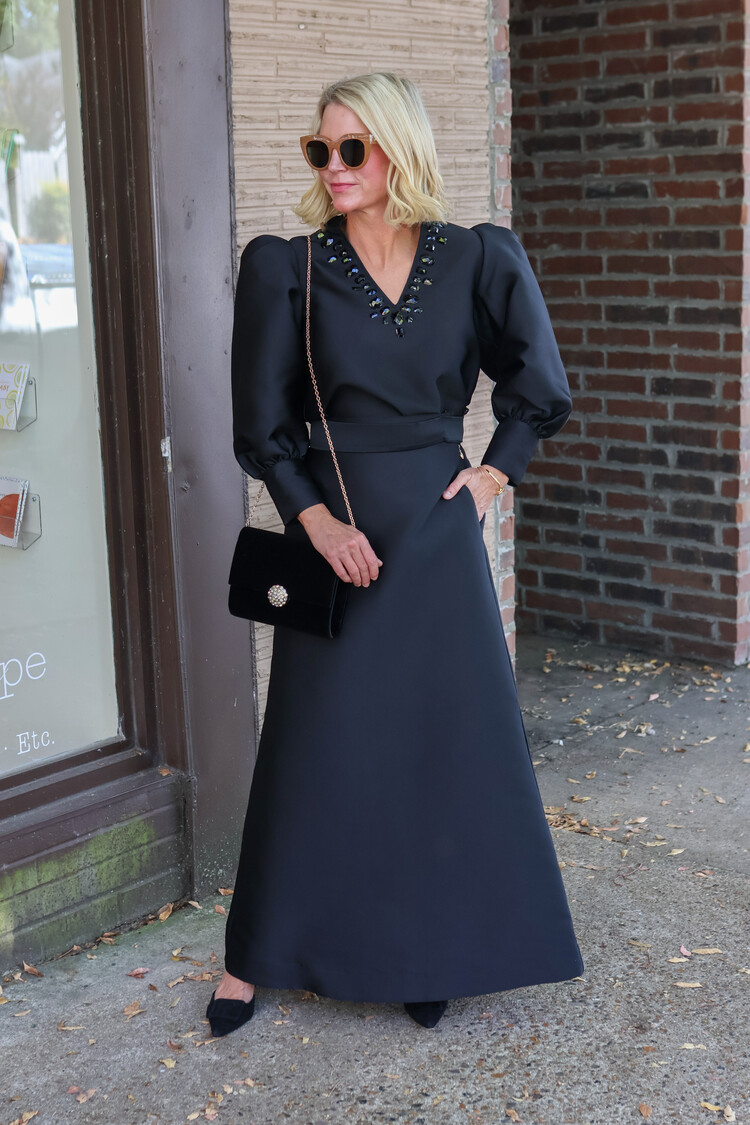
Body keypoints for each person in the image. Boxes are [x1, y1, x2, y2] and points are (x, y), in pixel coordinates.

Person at [206, 71, 584, 1038]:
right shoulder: (286, 268)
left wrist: (493, 475)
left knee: (437, 744)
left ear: (397, 148)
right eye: (319, 149)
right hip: (336, 531)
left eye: (352, 148)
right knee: (314, 744)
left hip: (435, 530)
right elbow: (263, 430)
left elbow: (539, 383)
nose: (332, 167)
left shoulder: (477, 257)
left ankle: (427, 950)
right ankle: (253, 956)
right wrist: (317, 524)